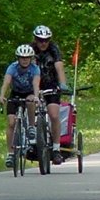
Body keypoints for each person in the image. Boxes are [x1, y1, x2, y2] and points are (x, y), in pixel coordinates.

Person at [30, 25, 70, 165]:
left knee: (53, 115)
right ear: (35, 39)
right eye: (40, 40)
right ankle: (31, 139)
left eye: (46, 40)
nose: (43, 43)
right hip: (34, 85)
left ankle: (56, 149)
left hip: (51, 85)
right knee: (30, 109)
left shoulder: (53, 49)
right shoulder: (31, 49)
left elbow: (59, 67)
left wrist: (62, 83)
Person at [0, 44, 40, 168]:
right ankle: (11, 154)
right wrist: (2, 95)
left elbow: (36, 83)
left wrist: (36, 96)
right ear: (18, 58)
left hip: (29, 93)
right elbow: (6, 82)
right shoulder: (12, 67)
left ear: (31, 58)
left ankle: (31, 126)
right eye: (22, 58)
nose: (25, 60)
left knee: (30, 101)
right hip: (15, 94)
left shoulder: (35, 68)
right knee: (11, 123)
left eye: (27, 58)